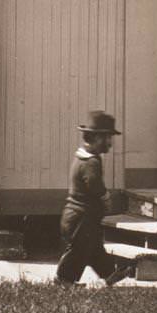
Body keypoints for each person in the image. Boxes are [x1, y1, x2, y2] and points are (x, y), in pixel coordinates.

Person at [55, 111, 134, 287]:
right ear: (97, 137)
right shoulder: (91, 162)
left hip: (82, 216)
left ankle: (110, 273)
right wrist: (105, 197)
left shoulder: (83, 157)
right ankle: (63, 279)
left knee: (94, 248)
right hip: (81, 216)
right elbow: (93, 184)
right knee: (79, 250)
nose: (110, 144)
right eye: (108, 138)